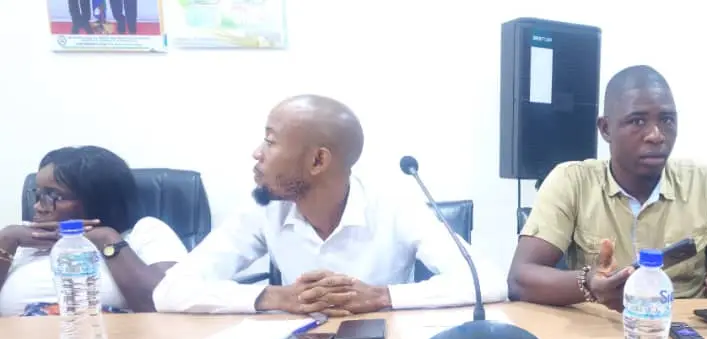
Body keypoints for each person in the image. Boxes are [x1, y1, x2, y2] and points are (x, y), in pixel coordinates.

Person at [153, 94, 506, 316]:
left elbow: (488, 282)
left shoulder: (394, 203)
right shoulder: (263, 208)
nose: (257, 153)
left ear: (318, 161)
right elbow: (169, 290)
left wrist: (381, 296)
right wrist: (277, 298)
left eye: (270, 142)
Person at [508, 65, 707, 312]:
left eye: (667, 120)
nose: (656, 135)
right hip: (598, 329)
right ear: (606, 129)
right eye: (637, 121)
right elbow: (520, 278)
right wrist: (589, 284)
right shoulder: (572, 181)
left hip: (685, 331)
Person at [0, 146, 188, 316]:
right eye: (39, 194)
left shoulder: (144, 232)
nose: (38, 207)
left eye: (54, 195)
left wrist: (107, 239)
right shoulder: (20, 240)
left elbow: (168, 307)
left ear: (99, 199)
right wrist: (6, 240)